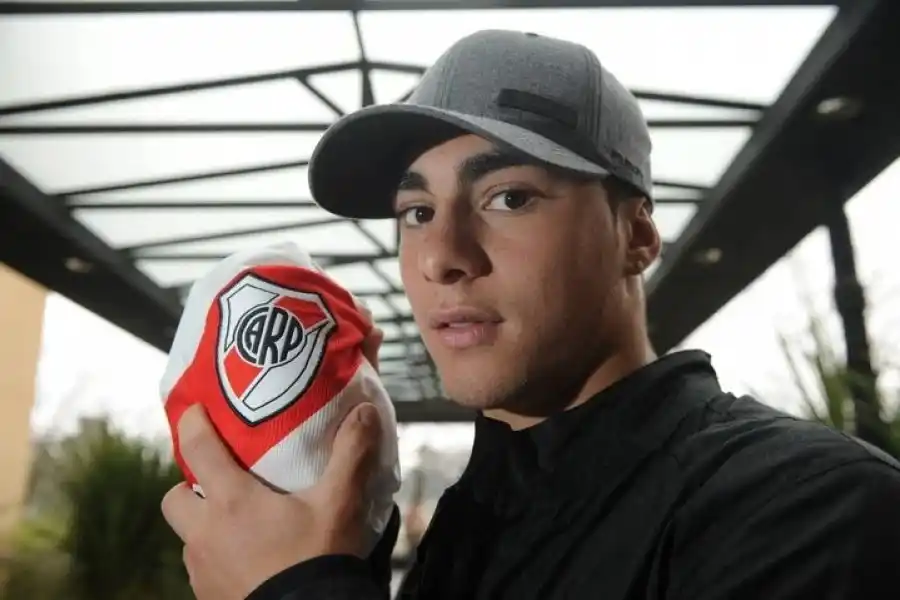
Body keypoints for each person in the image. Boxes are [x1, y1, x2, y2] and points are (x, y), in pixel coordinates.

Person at [161, 29, 900, 600]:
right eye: (417, 211)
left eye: (508, 197)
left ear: (637, 236)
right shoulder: (469, 524)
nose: (441, 257)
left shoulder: (806, 507)